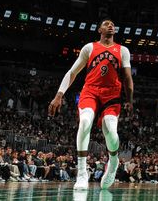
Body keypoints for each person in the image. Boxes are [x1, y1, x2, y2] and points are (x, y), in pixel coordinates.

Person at [48, 19, 133, 190]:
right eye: (106, 23)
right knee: (85, 122)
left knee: (111, 131)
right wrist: (59, 95)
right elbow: (72, 72)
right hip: (90, 91)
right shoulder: (90, 47)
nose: (111, 25)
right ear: (99, 29)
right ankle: (81, 173)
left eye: (112, 24)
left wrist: (130, 100)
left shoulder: (122, 50)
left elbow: (128, 78)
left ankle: (114, 162)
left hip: (112, 94)